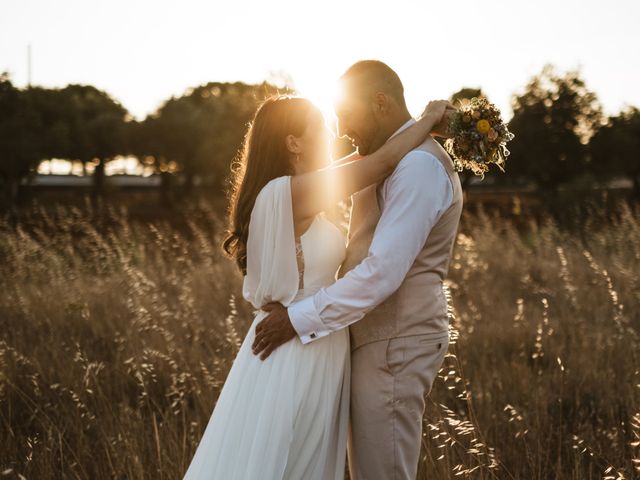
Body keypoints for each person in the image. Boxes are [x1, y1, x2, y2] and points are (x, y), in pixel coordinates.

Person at [182, 91, 453, 479]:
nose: (334, 136)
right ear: (293, 141)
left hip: (318, 340)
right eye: (323, 129)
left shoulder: (301, 188)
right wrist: (427, 121)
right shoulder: (288, 193)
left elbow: (366, 159)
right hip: (296, 345)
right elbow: (382, 161)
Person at [253, 60, 464, 479]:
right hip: (376, 339)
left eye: (346, 117)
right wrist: (425, 123)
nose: (341, 132)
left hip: (396, 338)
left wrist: (297, 320)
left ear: (380, 103)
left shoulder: (418, 167)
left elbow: (383, 271)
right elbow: (364, 165)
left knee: (381, 472)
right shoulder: (393, 157)